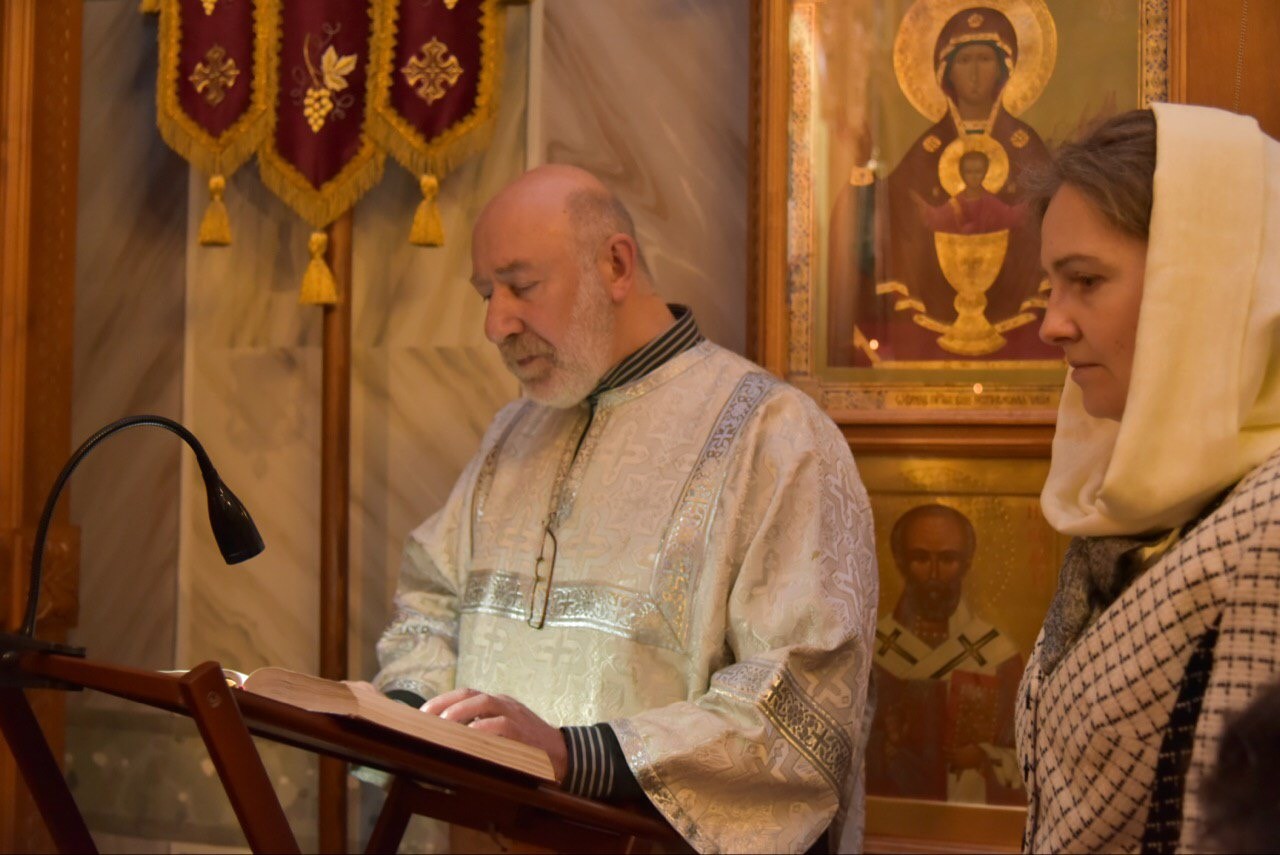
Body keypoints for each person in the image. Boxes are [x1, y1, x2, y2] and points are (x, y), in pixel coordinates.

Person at [371, 164, 879, 853]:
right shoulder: (514, 432)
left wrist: (575, 755)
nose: (496, 323)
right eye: (487, 293)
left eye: (521, 286)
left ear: (615, 265)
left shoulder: (774, 435)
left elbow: (799, 711)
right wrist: (410, 713)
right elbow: (430, 600)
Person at [1017, 104, 1280, 852]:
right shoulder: (1133, 490)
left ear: (1202, 285)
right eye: (1051, 286)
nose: (1052, 324)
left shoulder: (1270, 525)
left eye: (1086, 280)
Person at [829, 5, 1056, 364]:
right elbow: (893, 205)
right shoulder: (929, 147)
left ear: (1004, 69)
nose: (975, 73)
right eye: (964, 61)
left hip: (1022, 324)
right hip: (929, 320)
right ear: (945, 72)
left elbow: (1051, 215)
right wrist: (860, 173)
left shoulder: (1025, 144)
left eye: (984, 59)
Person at [867, 504, 1023, 806]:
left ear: (966, 563)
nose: (934, 574)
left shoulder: (997, 656)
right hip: (888, 822)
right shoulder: (874, 651)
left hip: (971, 823)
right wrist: (885, 746)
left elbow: (1030, 756)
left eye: (948, 559)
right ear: (900, 561)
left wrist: (983, 756)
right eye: (920, 558)